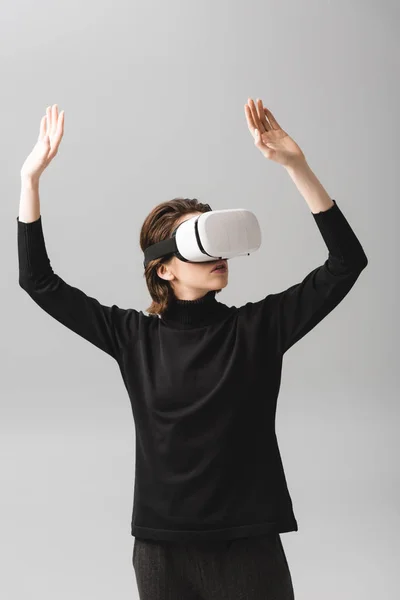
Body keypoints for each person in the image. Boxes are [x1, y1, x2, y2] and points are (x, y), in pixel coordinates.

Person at [17, 100, 368, 600]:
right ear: (164, 268)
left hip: (249, 547)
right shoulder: (132, 338)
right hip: (162, 552)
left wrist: (297, 166)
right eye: (200, 241)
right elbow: (39, 281)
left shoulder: (258, 329)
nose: (219, 253)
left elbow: (346, 263)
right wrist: (30, 180)